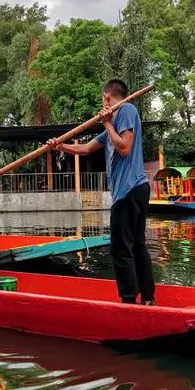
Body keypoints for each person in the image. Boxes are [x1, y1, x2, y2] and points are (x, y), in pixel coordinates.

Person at [49, 78, 155, 305]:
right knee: (136, 245)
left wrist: (107, 123)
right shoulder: (114, 125)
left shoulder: (126, 109)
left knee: (120, 247)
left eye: (102, 98)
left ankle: (129, 300)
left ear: (107, 97)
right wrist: (61, 146)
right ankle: (148, 298)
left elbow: (124, 148)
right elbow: (87, 149)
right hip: (134, 190)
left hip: (128, 190)